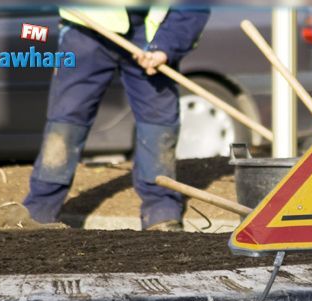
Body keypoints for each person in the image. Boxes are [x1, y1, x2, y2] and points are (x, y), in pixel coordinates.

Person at [22, 6, 210, 231]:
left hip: (152, 35)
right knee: (66, 120)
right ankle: (39, 210)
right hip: (86, 27)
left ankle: (161, 211)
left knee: (158, 123)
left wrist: (166, 47)